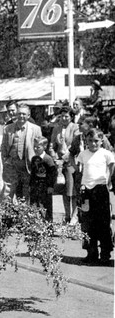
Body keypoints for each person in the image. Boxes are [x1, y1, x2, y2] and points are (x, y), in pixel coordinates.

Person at [75, 128, 114, 265]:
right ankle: (91, 253)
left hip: (100, 190)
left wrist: (108, 182)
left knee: (103, 222)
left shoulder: (106, 154)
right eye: (90, 141)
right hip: (87, 190)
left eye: (96, 141)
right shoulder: (83, 154)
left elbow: (111, 167)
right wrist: (80, 186)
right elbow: (79, 170)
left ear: (101, 141)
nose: (93, 144)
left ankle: (105, 253)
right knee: (87, 223)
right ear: (86, 141)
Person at [1, 104, 42, 203]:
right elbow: (4, 146)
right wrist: (5, 160)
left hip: (27, 164)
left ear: (28, 115)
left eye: (24, 114)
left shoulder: (36, 129)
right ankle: (7, 213)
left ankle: (24, 214)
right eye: (19, 113)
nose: (21, 116)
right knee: (8, 191)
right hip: (12, 164)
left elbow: (39, 148)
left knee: (26, 190)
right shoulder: (8, 128)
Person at [49, 106, 79, 224]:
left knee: (72, 191)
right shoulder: (56, 128)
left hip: (71, 162)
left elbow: (75, 145)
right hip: (59, 163)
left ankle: (74, 217)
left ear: (71, 117)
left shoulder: (75, 128)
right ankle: (66, 215)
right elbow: (51, 145)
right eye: (62, 116)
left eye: (67, 116)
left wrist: (66, 157)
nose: (64, 118)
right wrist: (54, 157)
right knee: (63, 191)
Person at [30, 136, 57, 222]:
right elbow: (33, 173)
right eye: (34, 146)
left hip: (45, 185)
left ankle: (48, 224)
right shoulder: (34, 158)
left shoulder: (47, 159)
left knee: (45, 205)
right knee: (35, 204)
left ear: (44, 147)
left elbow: (52, 173)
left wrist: (50, 186)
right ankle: (36, 224)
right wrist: (31, 185)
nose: (35, 149)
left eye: (38, 147)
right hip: (35, 185)